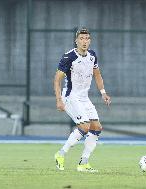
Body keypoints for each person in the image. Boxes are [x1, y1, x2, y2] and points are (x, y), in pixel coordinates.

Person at [53, 28, 111, 172]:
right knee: (85, 126)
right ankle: (60, 154)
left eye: (87, 38)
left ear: (89, 41)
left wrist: (103, 93)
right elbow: (57, 80)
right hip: (71, 96)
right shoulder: (68, 57)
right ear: (76, 40)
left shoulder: (92, 56)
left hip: (84, 98)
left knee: (97, 128)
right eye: (82, 39)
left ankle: (83, 163)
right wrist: (59, 100)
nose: (84, 41)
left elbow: (97, 74)